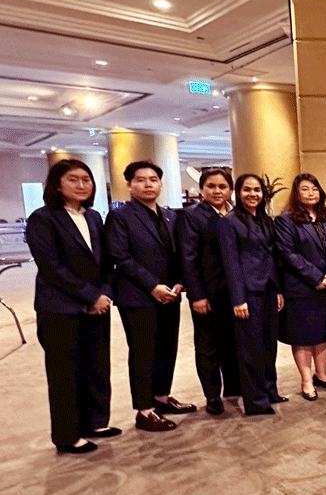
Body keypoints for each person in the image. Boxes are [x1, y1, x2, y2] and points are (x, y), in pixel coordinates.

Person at [27, 159, 118, 454]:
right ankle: (67, 435)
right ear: (57, 185)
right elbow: (51, 268)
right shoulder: (43, 219)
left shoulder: (93, 217)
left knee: (97, 366)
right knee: (65, 373)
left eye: (86, 180)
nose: (81, 185)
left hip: (97, 305)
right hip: (60, 308)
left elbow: (106, 263)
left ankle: (95, 422)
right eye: (73, 180)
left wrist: (104, 294)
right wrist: (90, 296)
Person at [106, 160, 194, 432]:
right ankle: (144, 411)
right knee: (144, 353)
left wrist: (179, 282)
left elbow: (179, 253)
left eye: (153, 179)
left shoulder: (170, 216)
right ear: (130, 185)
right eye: (141, 180)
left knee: (168, 348)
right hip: (138, 296)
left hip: (170, 294)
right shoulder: (121, 217)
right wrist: (153, 285)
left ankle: (162, 397)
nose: (148, 185)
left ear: (160, 184)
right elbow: (120, 257)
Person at [218, 174, 286, 415]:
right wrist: (238, 299)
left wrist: (277, 290)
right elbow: (231, 263)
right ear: (238, 193)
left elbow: (272, 257)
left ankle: (270, 390)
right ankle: (256, 401)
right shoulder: (229, 222)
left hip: (268, 289)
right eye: (247, 190)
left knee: (269, 344)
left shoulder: (265, 220)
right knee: (251, 348)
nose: (253, 194)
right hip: (247, 293)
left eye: (257, 190)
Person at [177, 168, 240, 416]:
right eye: (211, 186)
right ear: (202, 189)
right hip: (208, 292)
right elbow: (188, 258)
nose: (217, 191)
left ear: (230, 189)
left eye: (222, 186)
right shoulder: (192, 216)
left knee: (233, 342)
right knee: (208, 346)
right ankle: (212, 395)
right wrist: (197, 295)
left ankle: (234, 386)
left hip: (235, 292)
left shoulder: (236, 214)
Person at [275, 174, 326, 401]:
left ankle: (321, 374)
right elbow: (288, 254)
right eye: (305, 189)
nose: (311, 193)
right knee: (302, 335)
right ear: (296, 193)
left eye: (315, 188)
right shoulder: (285, 220)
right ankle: (306, 380)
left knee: (323, 331)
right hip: (301, 286)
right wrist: (316, 277)